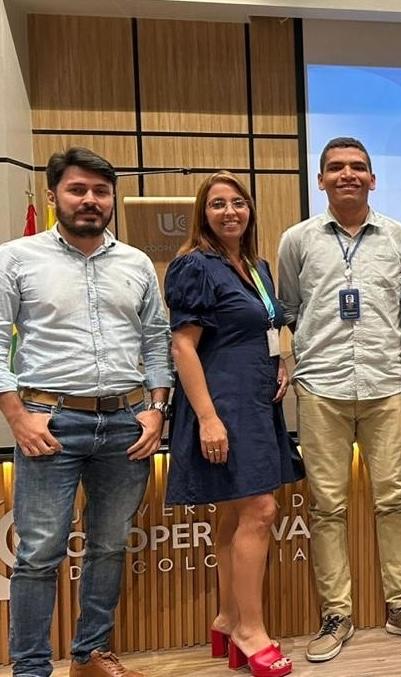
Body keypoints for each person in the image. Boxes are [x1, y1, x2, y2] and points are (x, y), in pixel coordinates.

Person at [0, 147, 172, 677]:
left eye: (100, 191)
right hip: (49, 421)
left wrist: (156, 408)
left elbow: (156, 340)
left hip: (127, 423)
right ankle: (30, 668)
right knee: (38, 555)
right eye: (78, 190)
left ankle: (89, 654)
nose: (90, 200)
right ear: (53, 196)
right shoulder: (16, 257)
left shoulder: (136, 262)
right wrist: (16, 415)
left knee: (109, 547)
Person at [277, 137, 401, 661]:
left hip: (386, 387)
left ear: (373, 179)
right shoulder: (297, 240)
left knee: (394, 501)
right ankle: (337, 615)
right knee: (327, 507)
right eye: (336, 168)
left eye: (358, 168)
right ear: (321, 179)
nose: (347, 175)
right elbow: (286, 310)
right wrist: (289, 365)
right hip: (320, 388)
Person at [165, 172, 302, 676]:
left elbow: (261, 327)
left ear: (250, 210)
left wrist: (280, 360)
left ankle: (226, 618)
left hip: (256, 402)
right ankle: (250, 630)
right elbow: (183, 346)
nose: (229, 212)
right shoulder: (194, 266)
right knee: (261, 510)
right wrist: (207, 418)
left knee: (235, 514)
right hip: (222, 405)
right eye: (218, 204)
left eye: (238, 203)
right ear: (204, 212)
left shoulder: (256, 267)